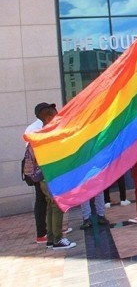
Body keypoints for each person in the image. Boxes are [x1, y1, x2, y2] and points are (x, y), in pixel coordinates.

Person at [31, 103, 77, 250]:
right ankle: (58, 239)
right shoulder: (48, 134)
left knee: (51, 206)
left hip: (44, 178)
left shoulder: (40, 134)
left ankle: (51, 238)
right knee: (57, 206)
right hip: (51, 177)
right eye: (54, 114)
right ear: (48, 116)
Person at [24, 113, 47, 244]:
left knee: (46, 200)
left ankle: (50, 230)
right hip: (38, 170)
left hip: (40, 169)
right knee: (41, 199)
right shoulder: (35, 127)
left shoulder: (36, 126)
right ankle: (42, 233)